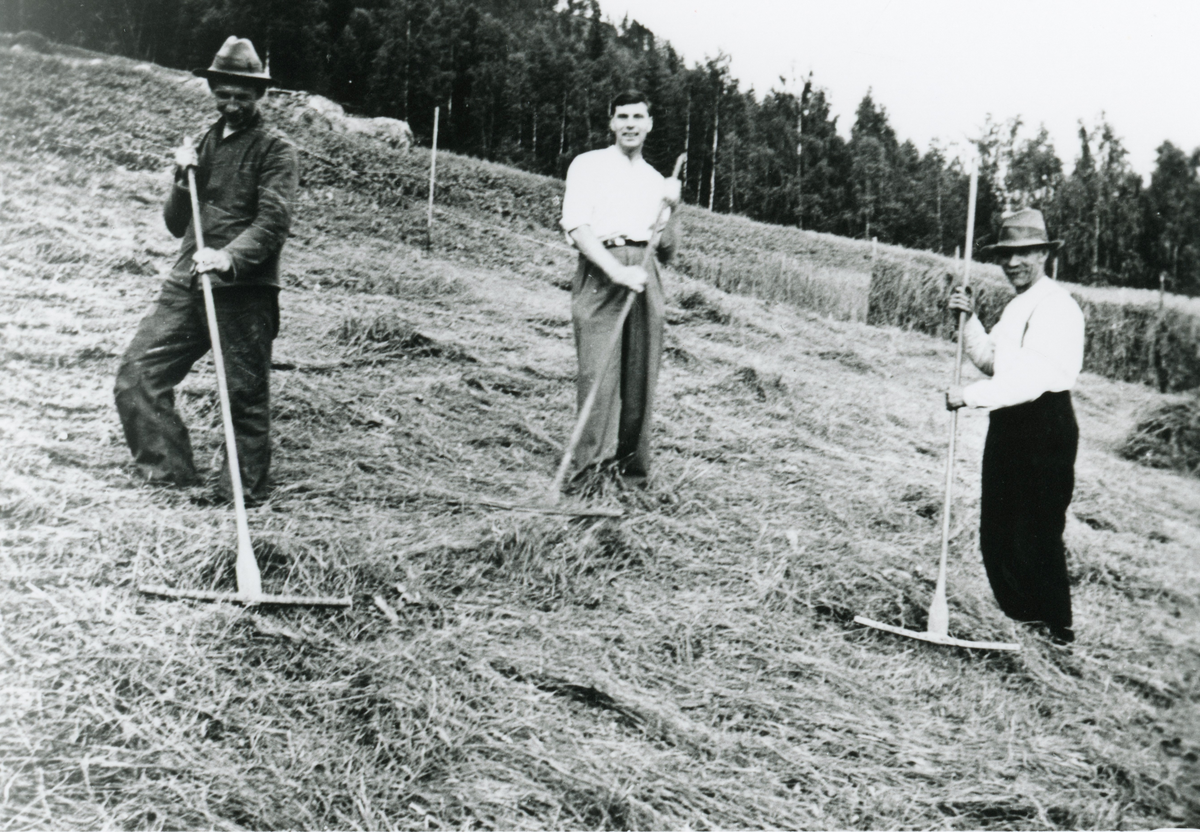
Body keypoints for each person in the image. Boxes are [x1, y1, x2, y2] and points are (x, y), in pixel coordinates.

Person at [114, 36, 298, 504]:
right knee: (139, 372)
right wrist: (181, 177)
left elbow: (273, 221)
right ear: (213, 88)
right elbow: (177, 223)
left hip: (243, 289)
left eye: (242, 94)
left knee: (243, 397)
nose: (232, 103)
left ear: (259, 95)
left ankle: (242, 491)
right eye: (224, 92)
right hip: (187, 282)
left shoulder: (277, 150)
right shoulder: (200, 143)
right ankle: (167, 471)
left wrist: (229, 257)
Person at [945, 208, 1085, 645]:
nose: (1013, 263)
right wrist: (968, 321)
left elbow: (1029, 379)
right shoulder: (1017, 305)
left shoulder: (1057, 308)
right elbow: (993, 361)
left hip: (1044, 426)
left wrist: (968, 396)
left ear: (1044, 253)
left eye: (1024, 254)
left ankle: (1055, 631)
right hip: (1009, 425)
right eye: (1007, 255)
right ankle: (1023, 624)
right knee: (998, 532)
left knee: (1035, 532)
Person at [559, 90, 681, 488]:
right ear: (611, 123)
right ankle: (586, 476)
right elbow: (577, 226)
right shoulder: (588, 164)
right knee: (597, 372)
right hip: (601, 271)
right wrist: (615, 271)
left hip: (646, 275)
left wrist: (673, 208)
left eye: (638, 117)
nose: (630, 124)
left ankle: (632, 476)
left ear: (649, 124)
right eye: (622, 116)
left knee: (640, 375)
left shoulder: (654, 180)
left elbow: (667, 249)